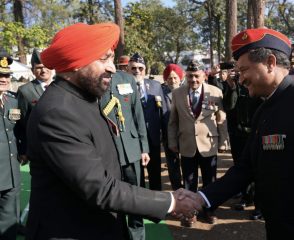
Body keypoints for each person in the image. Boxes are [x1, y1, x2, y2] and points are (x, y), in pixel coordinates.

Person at [177, 28, 294, 239]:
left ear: (271, 63)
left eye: (244, 69)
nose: (241, 78)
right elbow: (246, 167)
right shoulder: (264, 109)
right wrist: (202, 198)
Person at [25, 22, 200, 240]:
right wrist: (171, 201)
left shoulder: (83, 98)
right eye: (103, 58)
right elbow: (100, 189)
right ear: (76, 63)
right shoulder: (57, 113)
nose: (112, 67)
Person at [168, 59, 228, 227]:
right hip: (186, 144)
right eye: (190, 76)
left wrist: (223, 141)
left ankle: (210, 209)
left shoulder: (215, 92)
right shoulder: (177, 93)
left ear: (204, 75)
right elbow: (173, 121)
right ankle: (190, 212)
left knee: (210, 180)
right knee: (189, 181)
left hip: (208, 143)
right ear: (186, 76)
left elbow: (221, 118)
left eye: (196, 76)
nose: (193, 80)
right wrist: (172, 141)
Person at [100, 68, 150, 239]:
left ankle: (137, 234)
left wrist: (144, 147)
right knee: (114, 196)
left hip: (132, 149)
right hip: (109, 150)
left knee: (135, 195)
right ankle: (119, 233)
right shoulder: (95, 79)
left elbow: (138, 114)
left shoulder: (127, 78)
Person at [222, 67, 263, 217]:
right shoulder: (233, 85)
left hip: (255, 132)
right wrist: (232, 87)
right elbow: (229, 106)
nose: (241, 75)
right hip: (237, 133)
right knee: (241, 165)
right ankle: (246, 197)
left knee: (258, 169)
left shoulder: (257, 83)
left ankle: (260, 206)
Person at [128, 53, 167, 191]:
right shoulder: (123, 87)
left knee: (155, 173)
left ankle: (158, 206)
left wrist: (167, 137)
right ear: (128, 69)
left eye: (140, 68)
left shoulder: (156, 86)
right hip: (133, 139)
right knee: (137, 175)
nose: (137, 71)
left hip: (153, 137)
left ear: (145, 69)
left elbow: (164, 113)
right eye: (133, 68)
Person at [0, 51, 23, 240]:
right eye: (0, 75)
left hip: (12, 173)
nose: (4, 79)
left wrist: (24, 151)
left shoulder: (12, 101)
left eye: (6, 75)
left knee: (9, 225)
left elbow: (19, 132)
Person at [17, 49, 52, 162]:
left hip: (62, 144)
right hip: (39, 148)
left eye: (45, 66)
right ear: (33, 71)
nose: (43, 70)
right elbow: (21, 123)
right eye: (38, 68)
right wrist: (23, 149)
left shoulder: (61, 86)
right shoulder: (25, 91)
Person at [161, 63, 184, 190]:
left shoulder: (187, 90)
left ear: (180, 78)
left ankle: (188, 188)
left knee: (187, 163)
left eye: (175, 77)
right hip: (168, 134)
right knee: (172, 164)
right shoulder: (160, 92)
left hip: (186, 133)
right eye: (170, 78)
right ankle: (177, 189)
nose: (173, 80)